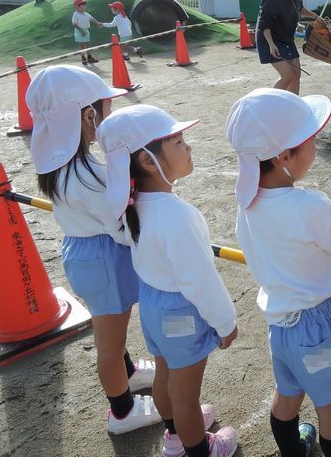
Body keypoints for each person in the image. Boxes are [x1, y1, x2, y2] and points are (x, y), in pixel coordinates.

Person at [226, 88, 331, 457]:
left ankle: (293, 451)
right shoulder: (307, 206)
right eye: (311, 140)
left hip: (280, 325)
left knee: (287, 396)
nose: (316, 145)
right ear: (285, 156)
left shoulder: (247, 202)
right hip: (317, 328)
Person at [97, 104, 239, 457]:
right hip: (180, 311)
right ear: (148, 161)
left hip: (153, 304)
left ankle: (175, 435)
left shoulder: (131, 204)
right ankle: (198, 449)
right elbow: (199, 280)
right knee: (185, 396)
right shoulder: (177, 215)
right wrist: (225, 322)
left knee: (165, 375)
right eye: (178, 142)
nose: (188, 147)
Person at [25, 65, 160, 436]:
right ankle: (123, 412)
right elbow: (121, 228)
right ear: (88, 118)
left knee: (111, 330)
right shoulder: (90, 176)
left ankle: (128, 373)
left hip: (87, 253)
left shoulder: (60, 164)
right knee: (109, 342)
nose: (110, 114)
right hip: (103, 260)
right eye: (106, 108)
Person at [256, 0, 324, 95]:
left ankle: (292, 104)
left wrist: (316, 17)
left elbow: (300, 8)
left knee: (296, 74)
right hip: (270, 39)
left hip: (286, 38)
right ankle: (268, 103)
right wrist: (271, 44)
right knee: (288, 76)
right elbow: (264, 23)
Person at [72, 0, 102, 66]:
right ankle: (83, 58)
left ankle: (89, 57)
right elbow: (74, 24)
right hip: (79, 31)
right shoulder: (76, 14)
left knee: (88, 44)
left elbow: (92, 19)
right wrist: (81, 31)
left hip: (86, 30)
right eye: (82, 5)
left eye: (85, 5)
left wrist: (98, 23)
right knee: (82, 45)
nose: (85, 6)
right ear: (77, 7)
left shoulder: (86, 14)